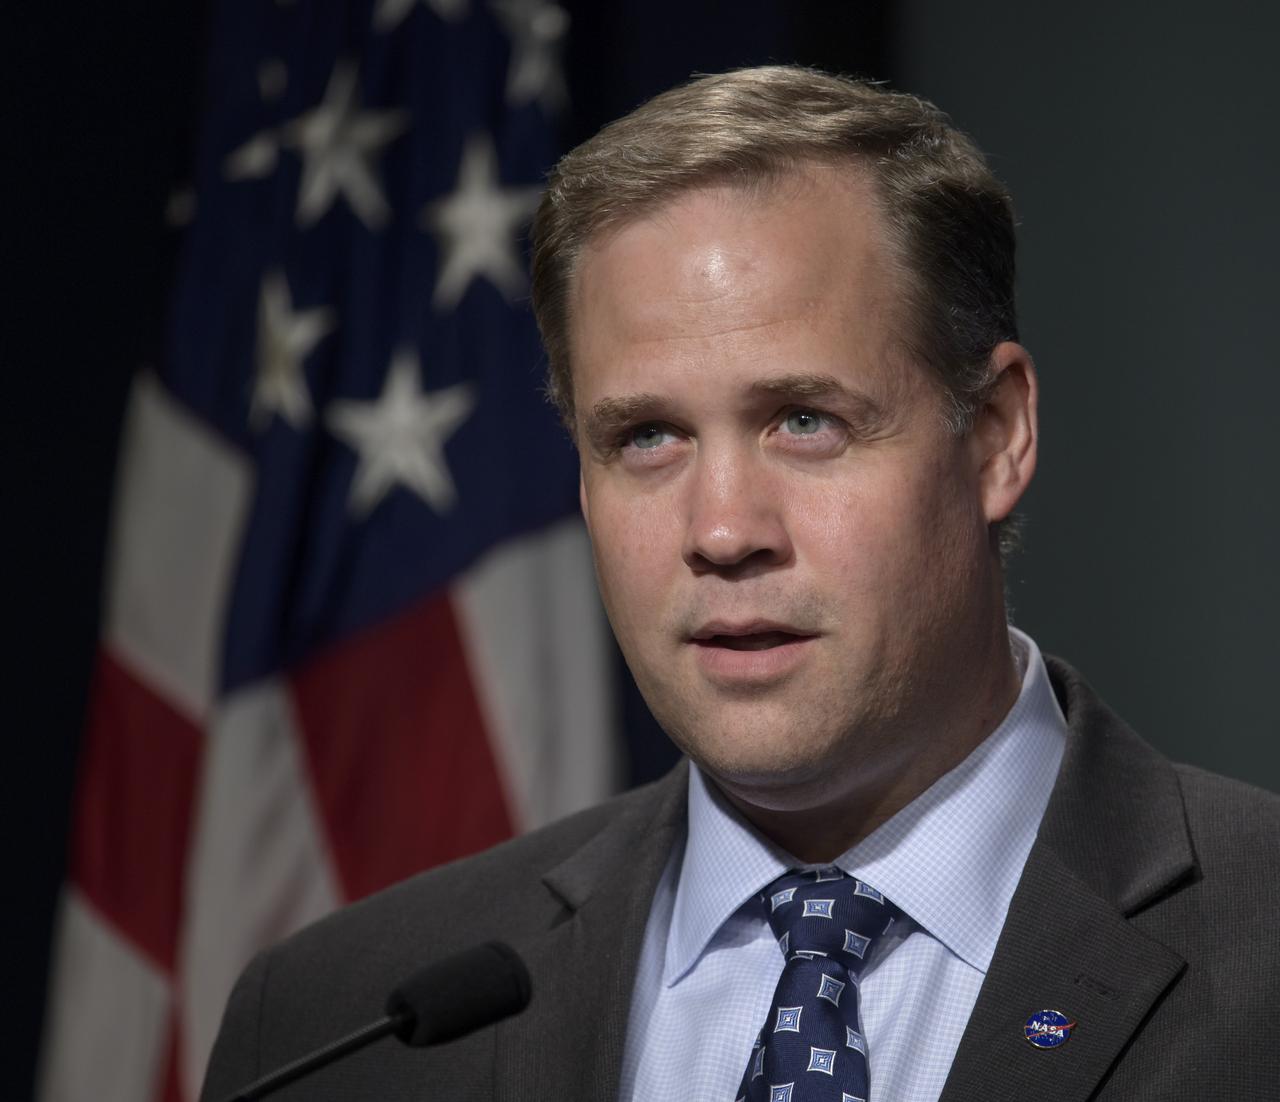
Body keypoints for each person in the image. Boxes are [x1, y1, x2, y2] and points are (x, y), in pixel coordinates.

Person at [201, 66, 1280, 1101]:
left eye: (804, 422)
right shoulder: (334, 1027)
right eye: (646, 436)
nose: (721, 531)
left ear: (993, 436)